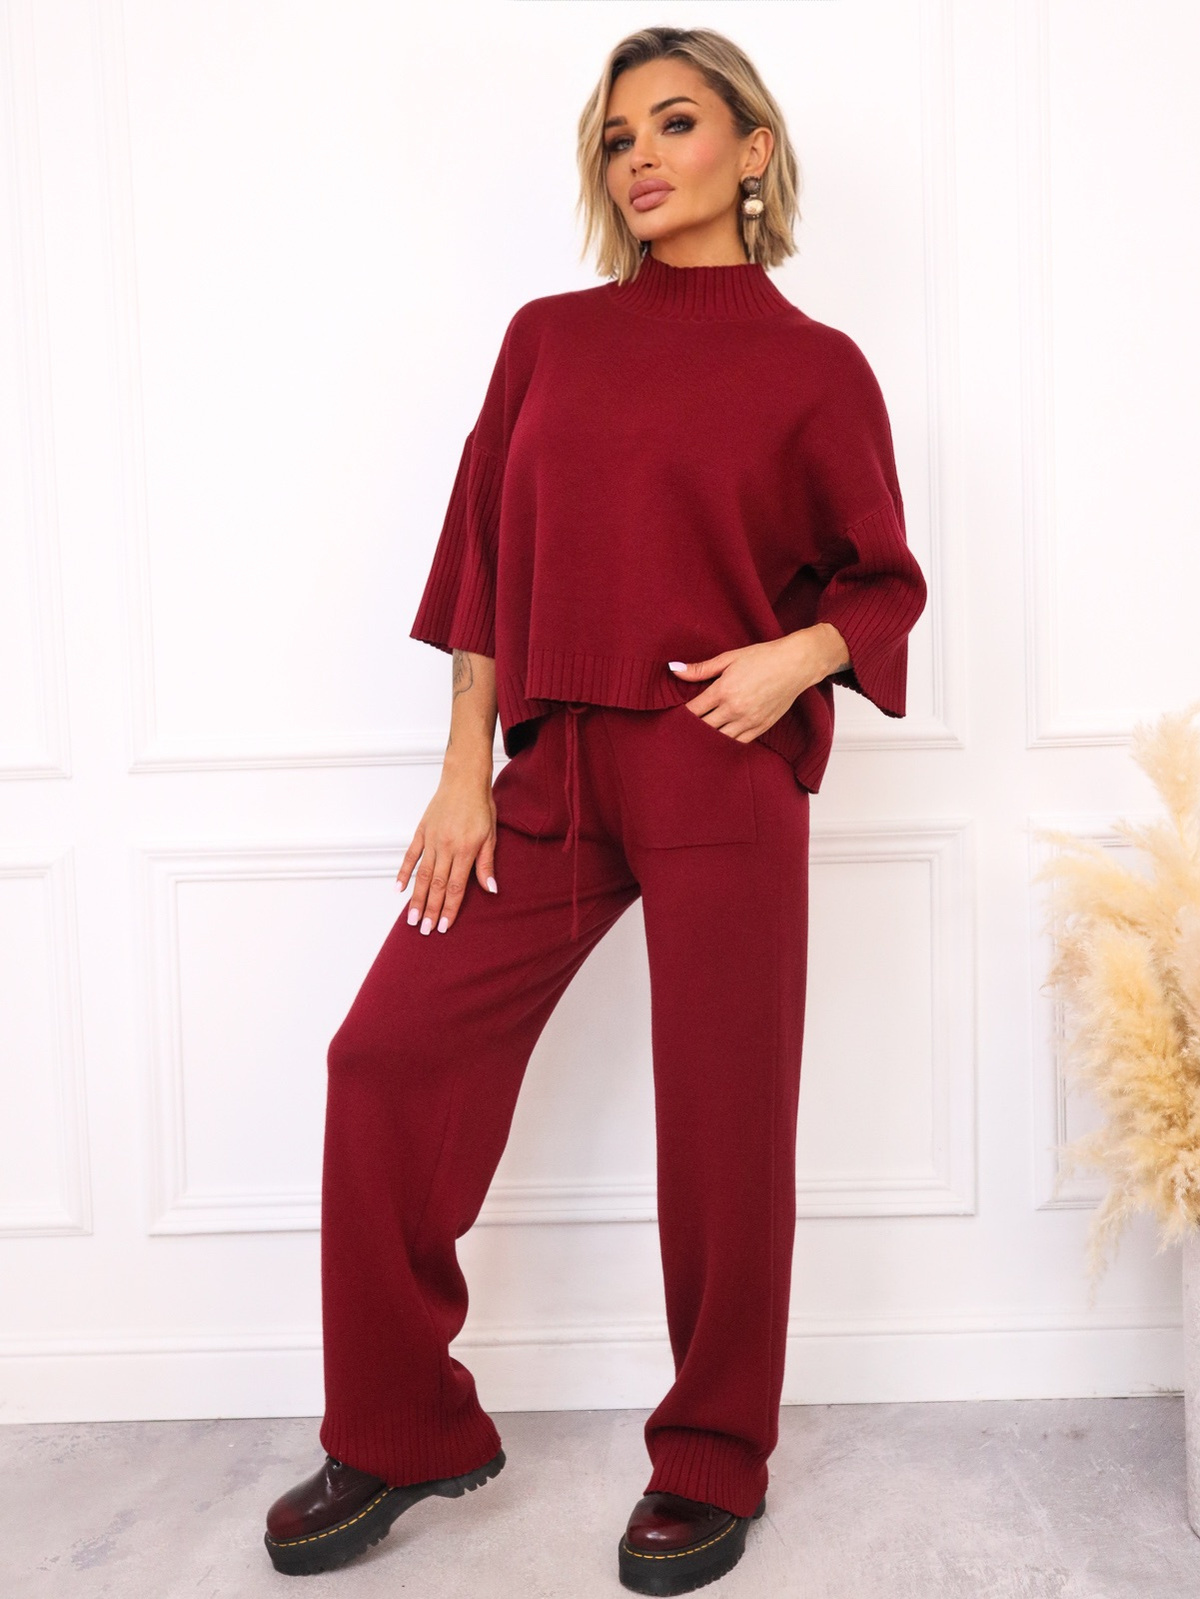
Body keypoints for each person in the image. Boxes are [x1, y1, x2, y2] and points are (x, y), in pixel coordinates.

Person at [262, 23, 927, 1596]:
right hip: (553, 773)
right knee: (386, 1055)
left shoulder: (817, 368)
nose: (640, 157)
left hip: (718, 763)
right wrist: (464, 772)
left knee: (723, 1130)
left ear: (751, 152)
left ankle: (712, 1458)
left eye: (676, 124)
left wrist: (797, 659)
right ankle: (402, 1427)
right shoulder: (548, 339)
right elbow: (484, 558)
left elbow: (884, 582)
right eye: (619, 135)